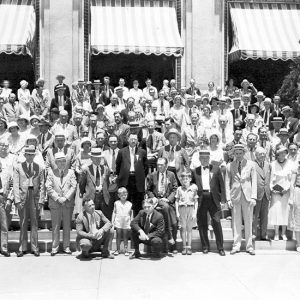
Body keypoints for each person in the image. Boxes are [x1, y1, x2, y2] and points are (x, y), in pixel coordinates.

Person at [192, 150, 226, 256]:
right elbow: (192, 184)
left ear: (209, 159)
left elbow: (222, 185)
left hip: (213, 198)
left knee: (216, 222)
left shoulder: (216, 169)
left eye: (206, 158)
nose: (205, 160)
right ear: (199, 159)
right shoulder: (195, 171)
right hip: (201, 198)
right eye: (202, 158)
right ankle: (205, 247)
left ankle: (220, 247)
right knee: (202, 223)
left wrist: (223, 200)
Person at [13, 145, 45, 257]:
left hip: (34, 196)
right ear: (25, 155)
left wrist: (41, 200)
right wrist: (16, 200)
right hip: (23, 196)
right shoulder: (18, 167)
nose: (30, 156)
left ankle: (35, 247)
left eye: (32, 155)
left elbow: (42, 185)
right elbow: (16, 185)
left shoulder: (39, 167)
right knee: (23, 222)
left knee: (35, 223)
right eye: (28, 154)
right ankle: (22, 247)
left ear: (34, 155)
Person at [226, 144, 257, 255]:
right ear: (234, 154)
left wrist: (254, 196)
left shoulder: (251, 164)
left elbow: (254, 181)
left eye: (240, 153)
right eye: (236, 153)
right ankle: (236, 245)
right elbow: (227, 183)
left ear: (244, 153)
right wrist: (228, 199)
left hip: (248, 196)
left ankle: (249, 246)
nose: (238, 155)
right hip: (235, 196)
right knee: (236, 222)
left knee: (248, 221)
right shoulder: (230, 165)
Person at [46, 152, 77, 256]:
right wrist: (58, 198)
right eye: (59, 161)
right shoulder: (51, 172)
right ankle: (55, 247)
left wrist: (66, 198)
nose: (62, 163)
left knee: (67, 226)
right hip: (55, 203)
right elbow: (48, 187)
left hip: (67, 203)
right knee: (55, 226)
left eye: (64, 161)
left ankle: (66, 247)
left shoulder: (71, 172)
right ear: (55, 162)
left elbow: (73, 186)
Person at [147, 157, 178, 253]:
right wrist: (154, 198)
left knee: (175, 223)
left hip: (168, 201)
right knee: (165, 207)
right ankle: (169, 236)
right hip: (156, 201)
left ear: (166, 165)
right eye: (158, 164)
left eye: (161, 165)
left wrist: (168, 199)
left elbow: (175, 188)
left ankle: (173, 247)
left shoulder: (171, 175)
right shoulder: (152, 175)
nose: (159, 166)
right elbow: (148, 190)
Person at [116, 133, 148, 215]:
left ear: (137, 141)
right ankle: (126, 223)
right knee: (126, 201)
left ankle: (137, 223)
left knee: (138, 202)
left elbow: (145, 167)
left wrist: (140, 175)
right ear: (128, 140)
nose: (133, 141)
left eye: (135, 139)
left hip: (138, 180)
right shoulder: (121, 152)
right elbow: (118, 166)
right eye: (131, 139)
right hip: (126, 180)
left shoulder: (142, 152)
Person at [268, 146, 293, 241]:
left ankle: (283, 233)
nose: (282, 155)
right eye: (280, 153)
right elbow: (270, 178)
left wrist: (287, 188)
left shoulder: (290, 163)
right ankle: (276, 234)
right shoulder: (272, 164)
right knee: (276, 212)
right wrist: (272, 189)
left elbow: (291, 179)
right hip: (276, 192)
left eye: (284, 153)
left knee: (285, 211)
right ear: (277, 154)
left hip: (286, 192)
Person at [175, 171, 198, 255]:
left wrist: (195, 212)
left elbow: (196, 201)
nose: (185, 180)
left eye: (187, 179)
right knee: (183, 228)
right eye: (183, 179)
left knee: (189, 229)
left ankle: (189, 247)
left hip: (190, 208)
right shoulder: (179, 189)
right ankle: (184, 247)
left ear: (190, 179)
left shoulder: (194, 188)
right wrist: (177, 212)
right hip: (182, 209)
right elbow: (177, 201)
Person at [253, 147, 271, 240]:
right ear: (256, 155)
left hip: (266, 194)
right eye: (260, 154)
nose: (262, 156)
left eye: (264, 154)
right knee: (255, 216)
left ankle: (264, 234)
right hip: (256, 194)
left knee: (265, 216)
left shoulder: (268, 165)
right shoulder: (252, 165)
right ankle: (254, 234)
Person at [111, 187, 133, 256]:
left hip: (126, 221)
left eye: (125, 194)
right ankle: (118, 249)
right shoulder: (116, 203)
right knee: (118, 235)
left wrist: (131, 222)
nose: (124, 196)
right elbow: (114, 212)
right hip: (118, 221)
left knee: (125, 236)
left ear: (127, 194)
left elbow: (131, 213)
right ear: (118, 195)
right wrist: (112, 221)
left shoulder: (129, 203)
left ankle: (126, 250)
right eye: (122, 195)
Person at [0, 161, 11, 257]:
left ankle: (4, 248)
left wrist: (9, 199)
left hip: (2, 201)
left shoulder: (6, 173)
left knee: (4, 226)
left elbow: (11, 186)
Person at [290, 162, 300, 252]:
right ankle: (298, 243)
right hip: (298, 190)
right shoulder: (296, 169)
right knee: (298, 218)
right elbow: (292, 184)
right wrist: (291, 197)